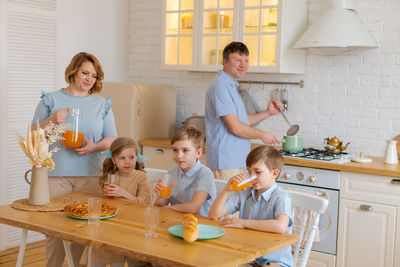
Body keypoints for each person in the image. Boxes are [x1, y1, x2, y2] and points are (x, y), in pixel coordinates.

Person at [31, 52, 117, 267]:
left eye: (94, 76)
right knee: (54, 232)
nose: (89, 79)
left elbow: (112, 139)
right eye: (84, 73)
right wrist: (52, 119)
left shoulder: (101, 104)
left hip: (90, 176)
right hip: (55, 176)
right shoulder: (51, 100)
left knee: (83, 232)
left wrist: (93, 147)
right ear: (73, 72)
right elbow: (33, 136)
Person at [205, 41, 283, 181]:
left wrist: (268, 112)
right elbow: (236, 128)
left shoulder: (232, 86)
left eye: (246, 60)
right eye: (238, 60)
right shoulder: (220, 87)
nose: (243, 65)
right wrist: (262, 135)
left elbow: (241, 121)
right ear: (225, 61)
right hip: (226, 163)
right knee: (228, 202)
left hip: (236, 161)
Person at [209, 145, 293, 267]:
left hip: (274, 261)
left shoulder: (281, 197)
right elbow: (213, 214)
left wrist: (243, 223)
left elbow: (280, 226)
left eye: (257, 172)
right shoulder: (245, 192)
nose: (251, 176)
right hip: (249, 258)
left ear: (274, 173)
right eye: (249, 171)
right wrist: (227, 190)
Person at [80, 137, 152, 267]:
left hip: (132, 225)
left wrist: (122, 193)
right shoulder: (111, 177)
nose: (127, 162)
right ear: (113, 160)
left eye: (131, 157)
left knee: (117, 248)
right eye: (122, 158)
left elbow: (145, 204)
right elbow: (105, 204)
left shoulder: (142, 177)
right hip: (112, 223)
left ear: (137, 157)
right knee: (98, 241)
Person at [154, 125, 216, 217]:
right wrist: (161, 197)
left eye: (185, 150)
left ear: (198, 153)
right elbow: (159, 205)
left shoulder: (205, 174)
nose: (179, 156)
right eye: (175, 150)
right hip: (177, 221)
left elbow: (193, 207)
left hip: (201, 225)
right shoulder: (171, 173)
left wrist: (168, 208)